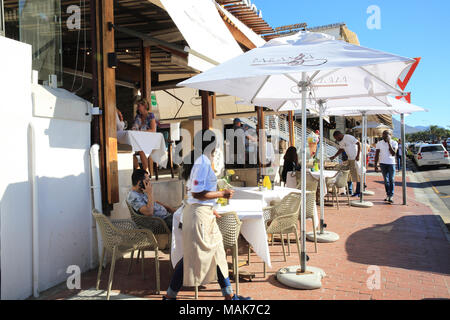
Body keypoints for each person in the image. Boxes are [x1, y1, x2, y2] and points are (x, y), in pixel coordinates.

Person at [164, 130, 251, 300]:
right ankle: (169, 296)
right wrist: (222, 194)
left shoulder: (198, 160)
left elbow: (195, 194)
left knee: (217, 254)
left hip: (201, 214)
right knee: (191, 258)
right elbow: (197, 193)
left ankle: (229, 296)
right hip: (199, 217)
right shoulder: (202, 162)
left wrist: (211, 208)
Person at [330, 131, 362, 196]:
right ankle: (350, 191)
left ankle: (358, 192)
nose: (336, 140)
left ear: (339, 135)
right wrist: (334, 156)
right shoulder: (340, 141)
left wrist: (358, 155)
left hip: (356, 158)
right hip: (350, 158)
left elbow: (359, 144)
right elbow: (341, 149)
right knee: (349, 174)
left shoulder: (348, 137)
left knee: (357, 174)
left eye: (336, 138)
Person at [131, 99, 157, 172]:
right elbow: (134, 128)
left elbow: (153, 130)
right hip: (140, 139)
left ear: (145, 106)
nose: (137, 108)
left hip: (150, 140)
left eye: (139, 106)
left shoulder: (150, 115)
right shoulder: (138, 116)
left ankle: (146, 171)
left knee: (140, 149)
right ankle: (138, 170)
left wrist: (141, 131)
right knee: (129, 149)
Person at [375, 130, 398, 204]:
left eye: (386, 135)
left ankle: (391, 195)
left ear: (390, 135)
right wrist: (375, 165)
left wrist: (389, 143)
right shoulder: (379, 143)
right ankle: (388, 195)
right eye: (383, 135)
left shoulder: (394, 143)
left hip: (391, 163)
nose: (384, 136)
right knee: (386, 180)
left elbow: (393, 153)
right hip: (382, 163)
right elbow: (377, 154)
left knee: (391, 179)